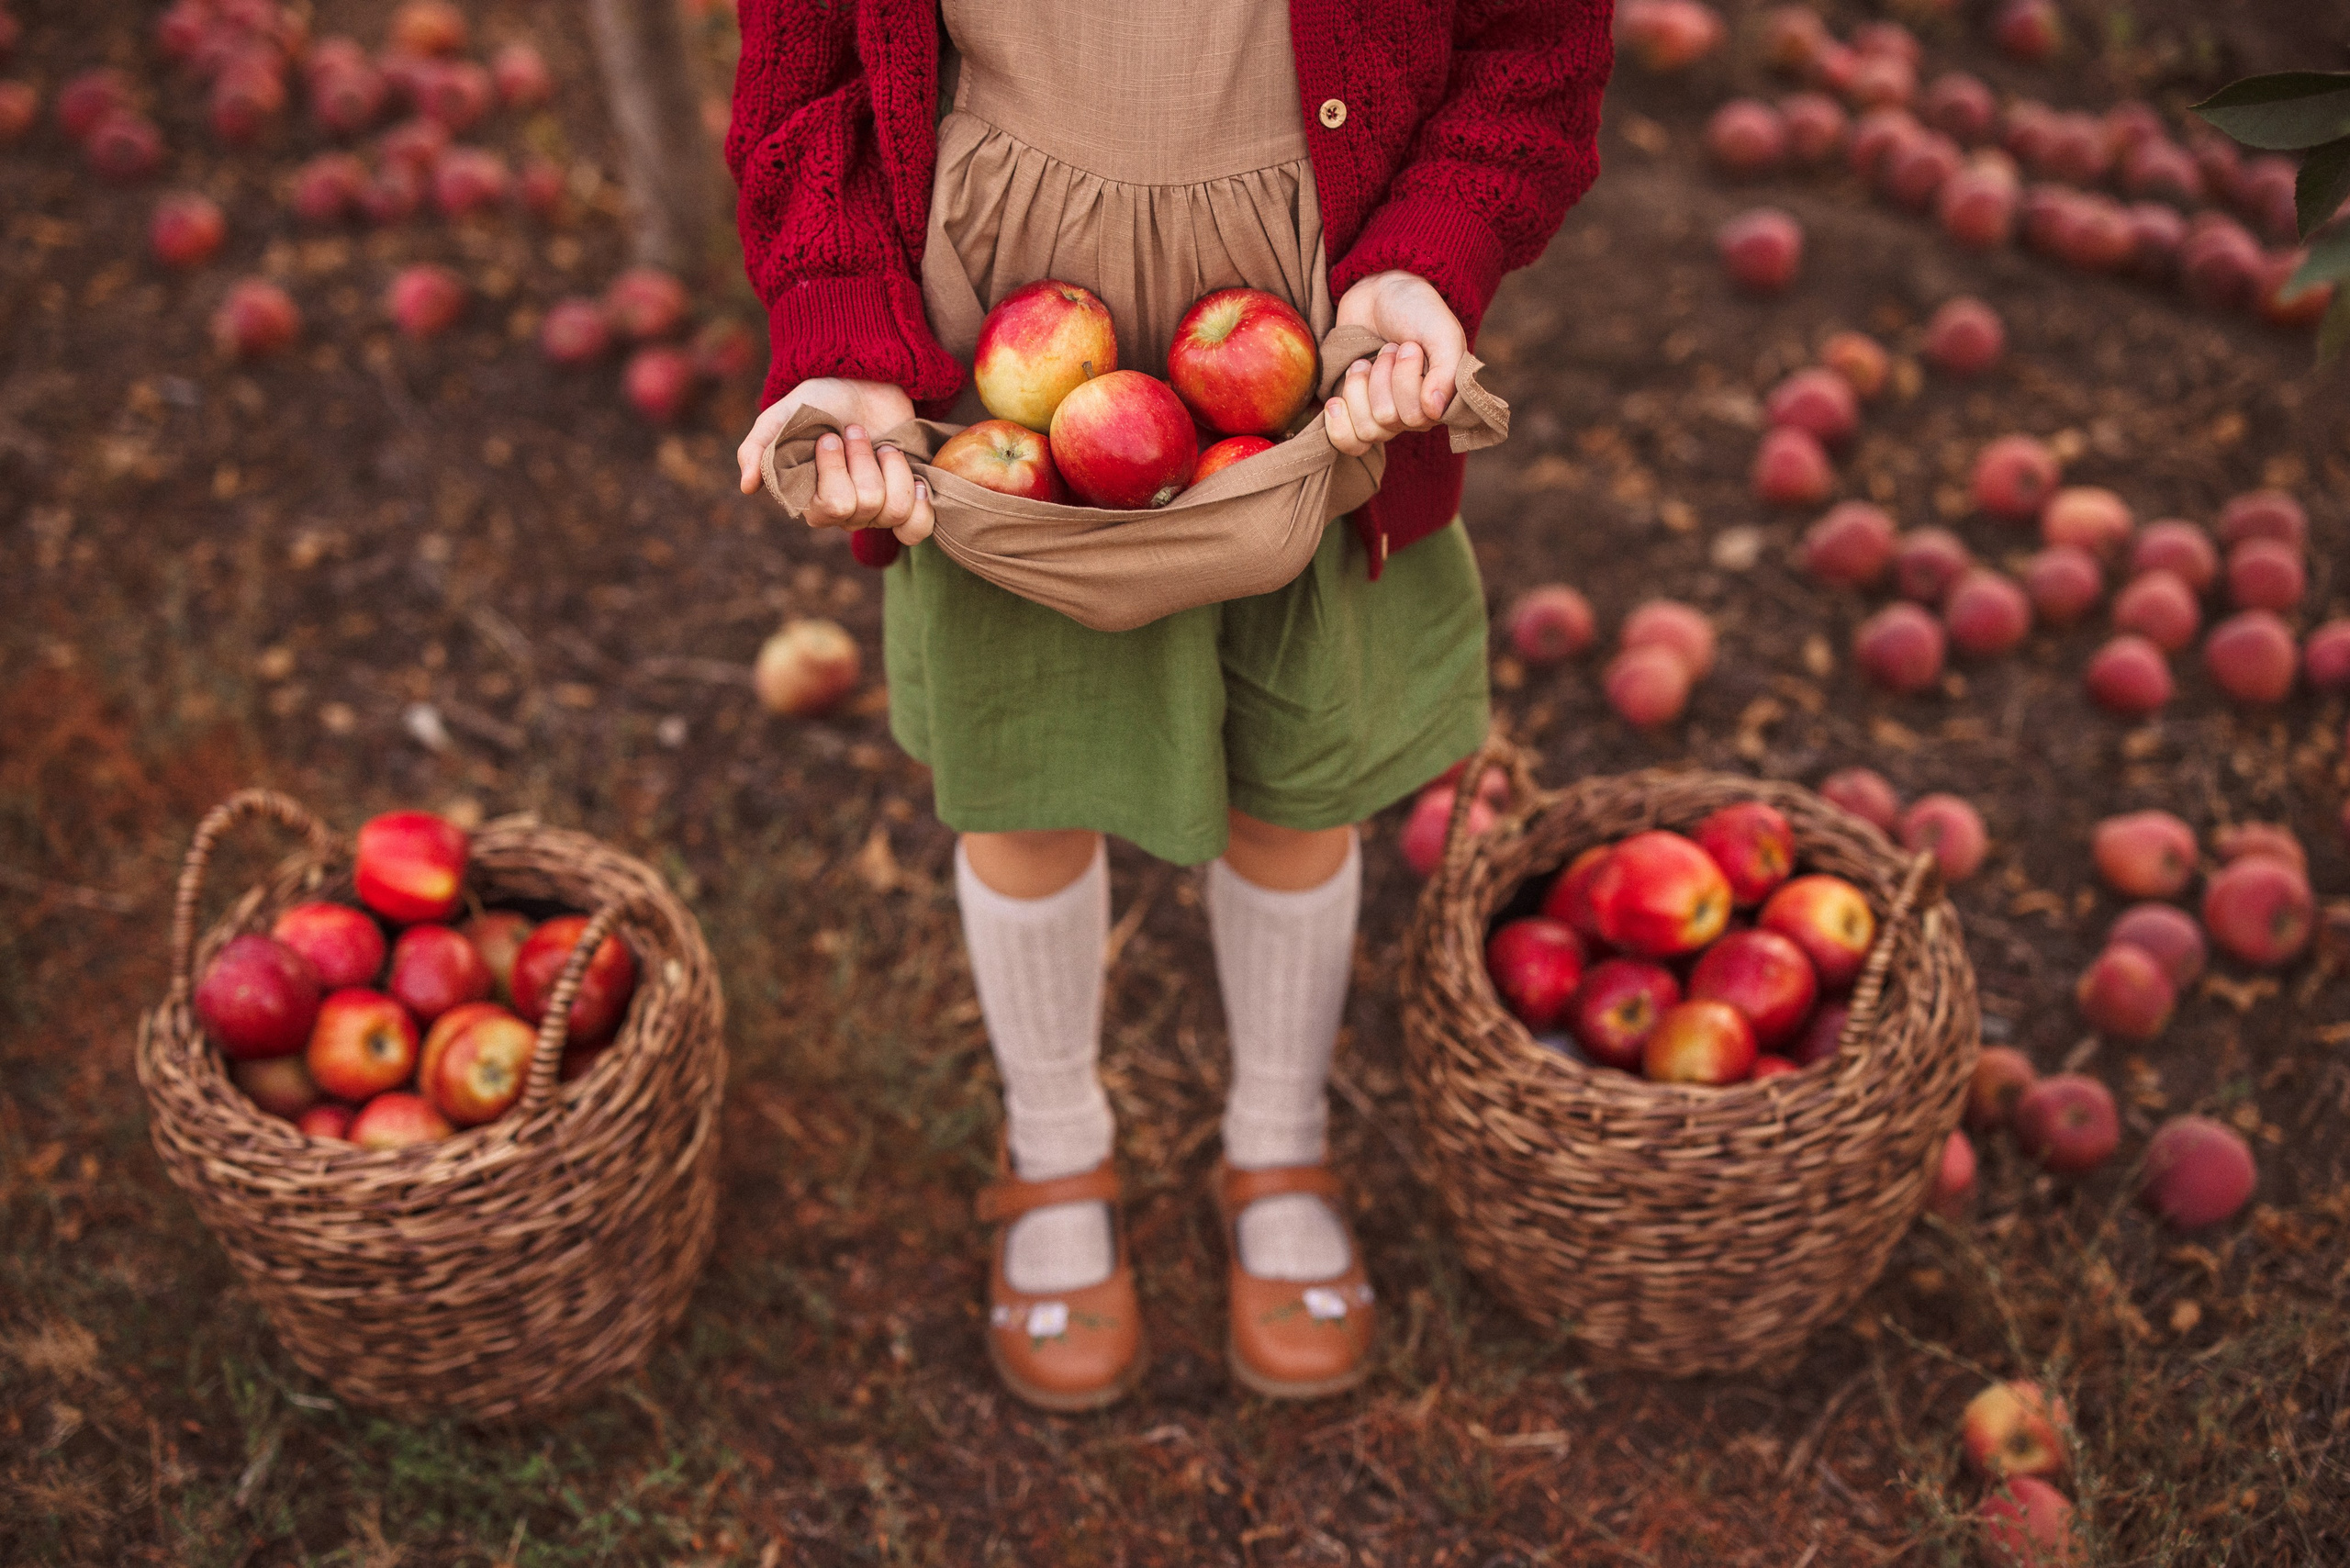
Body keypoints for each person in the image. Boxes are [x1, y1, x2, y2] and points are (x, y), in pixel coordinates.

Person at [728, 0, 1612, 1409]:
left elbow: (1532, 45)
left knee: (1297, 789)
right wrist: (840, 311)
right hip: (998, 336)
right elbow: (809, 66)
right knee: (1025, 780)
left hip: (1318, 342)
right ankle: (1055, 1143)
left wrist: (1429, 252)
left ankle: (1278, 1135)